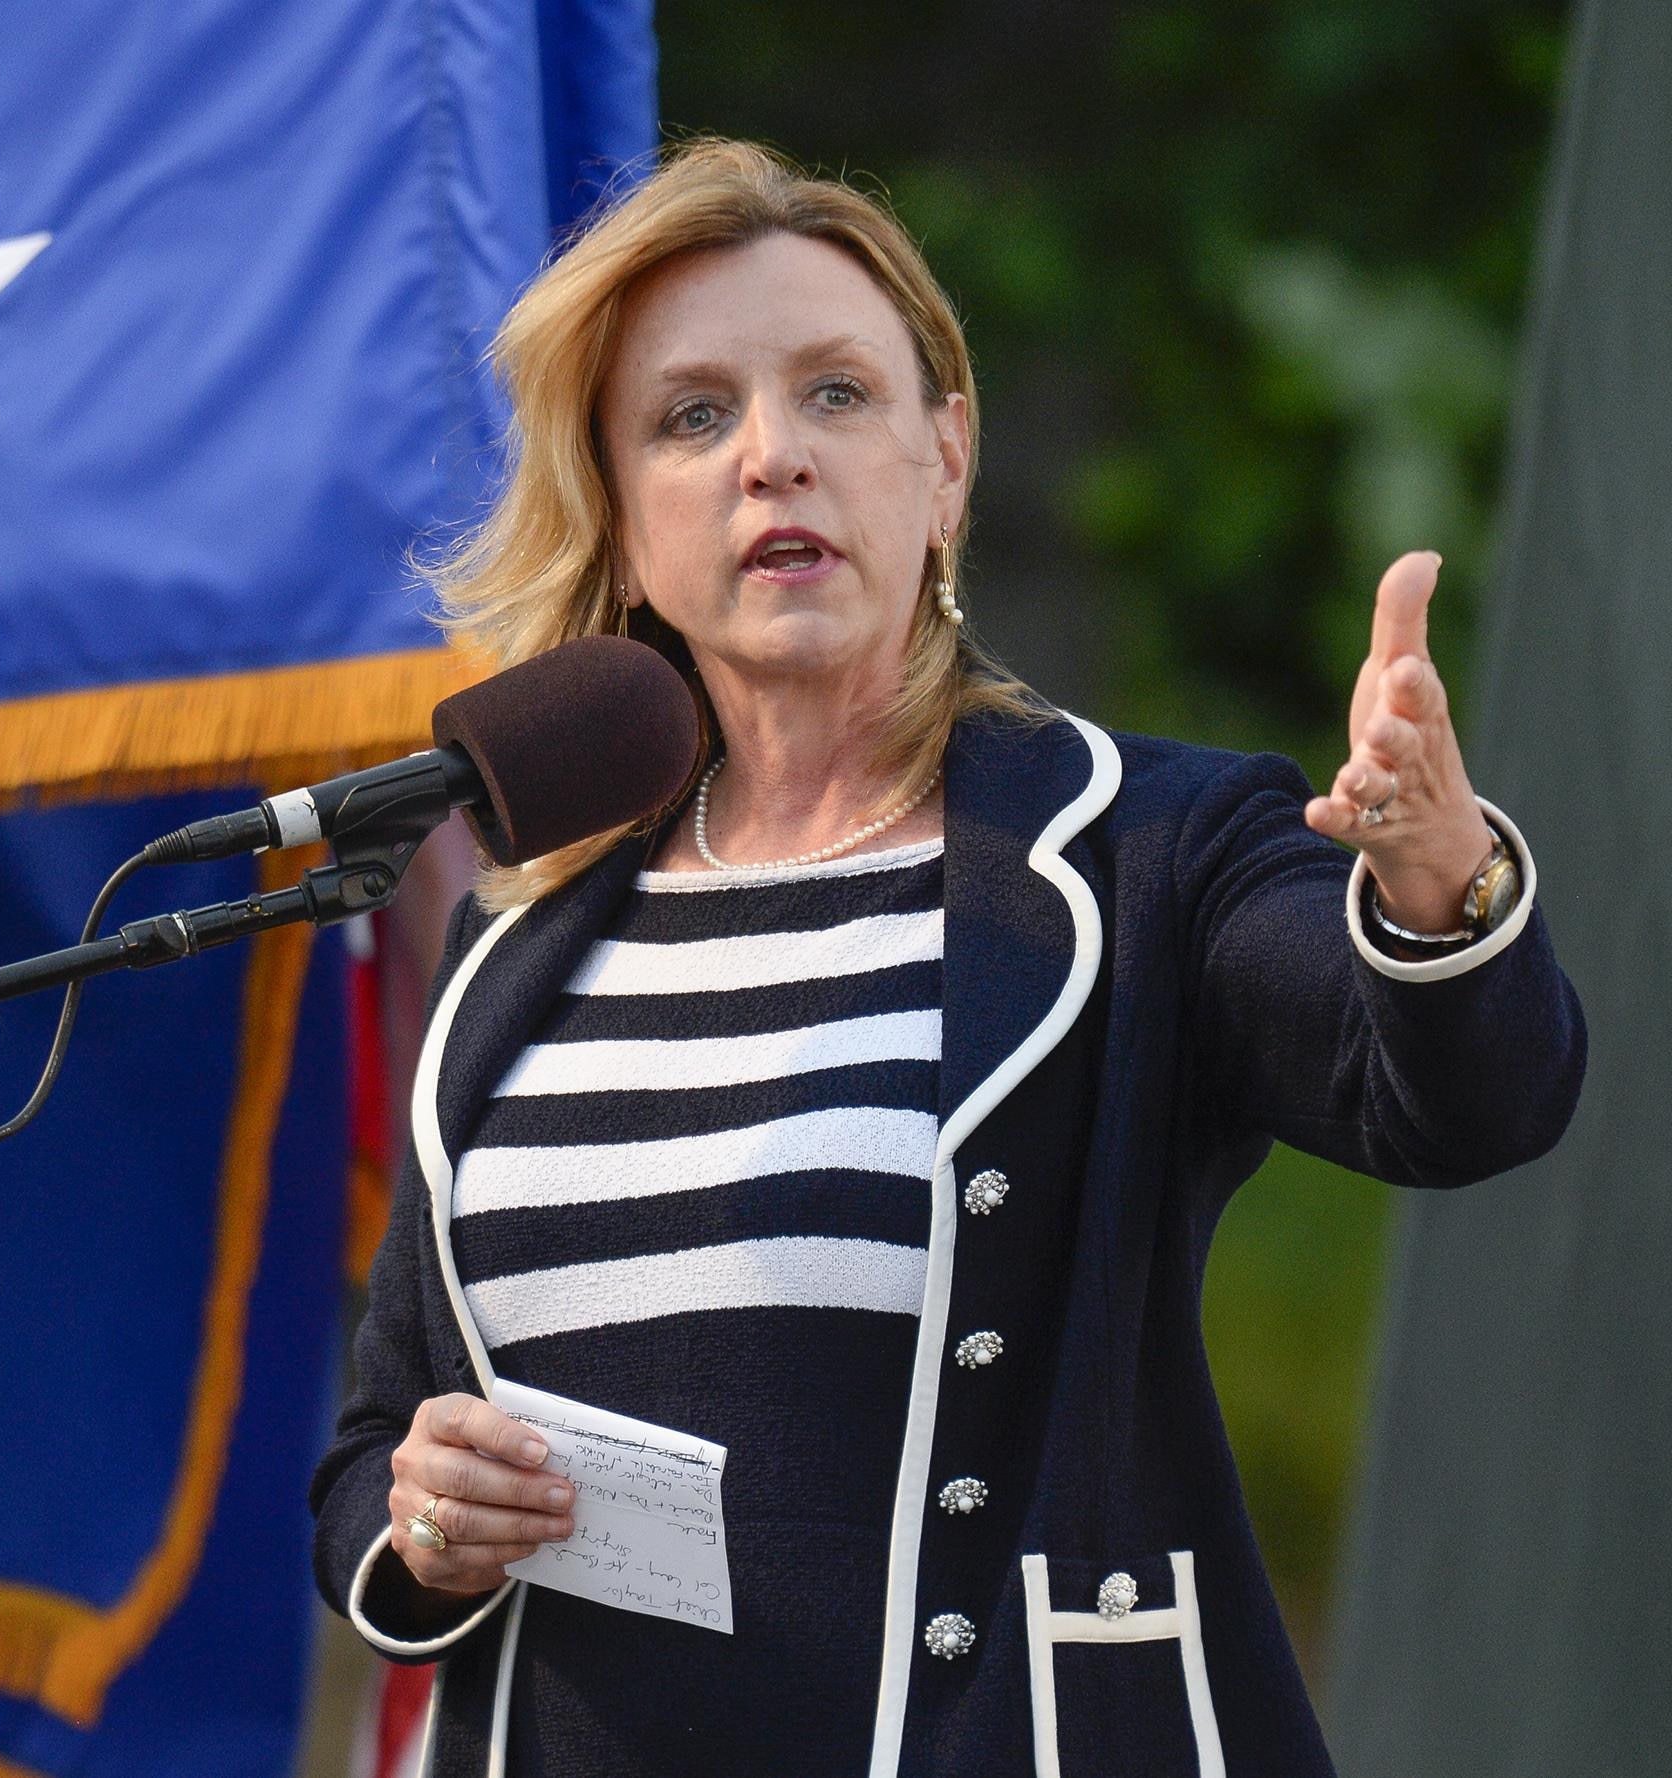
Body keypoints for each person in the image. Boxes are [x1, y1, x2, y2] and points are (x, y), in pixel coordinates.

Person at [309, 138, 1586, 1778]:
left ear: (948, 460)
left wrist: (1436, 881)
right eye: (694, 417)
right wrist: (426, 1518)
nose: (772, 456)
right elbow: (369, 1455)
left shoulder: (1145, 851)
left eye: (836, 394)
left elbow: (1466, 1101)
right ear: (626, 521)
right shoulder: (524, 945)